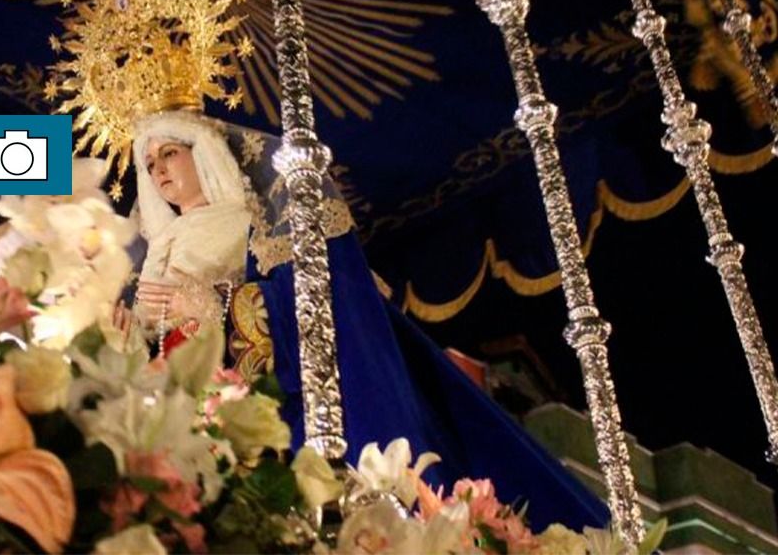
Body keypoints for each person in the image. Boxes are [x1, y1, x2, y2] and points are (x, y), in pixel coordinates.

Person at [117, 109, 609, 531]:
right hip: (176, 415)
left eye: (170, 153)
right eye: (150, 162)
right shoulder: (154, 252)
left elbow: (309, 301)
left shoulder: (251, 221)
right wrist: (124, 340)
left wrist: (213, 304)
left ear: (203, 153)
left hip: (255, 408)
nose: (159, 169)